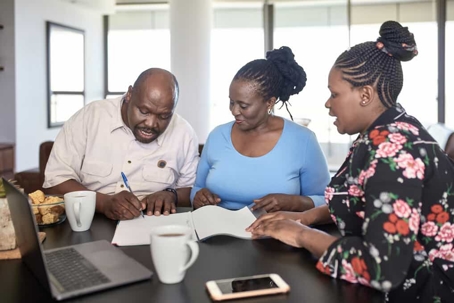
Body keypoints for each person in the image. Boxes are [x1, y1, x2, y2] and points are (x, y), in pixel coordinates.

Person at [247, 21, 454, 302]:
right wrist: (307, 217)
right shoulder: (387, 129)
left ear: (365, 95)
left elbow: (383, 268)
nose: (327, 104)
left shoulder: (393, 150)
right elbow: (364, 199)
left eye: (335, 94)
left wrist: (301, 235)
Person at [44, 68, 199, 220]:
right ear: (129, 94)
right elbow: (55, 182)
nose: (151, 124)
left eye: (164, 116)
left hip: (155, 225)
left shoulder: (184, 133)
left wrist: (171, 194)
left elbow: (191, 190)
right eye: (144, 111)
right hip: (89, 222)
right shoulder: (90, 118)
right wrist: (103, 203)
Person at [191, 46, 330, 212]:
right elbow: (197, 188)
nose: (234, 111)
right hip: (216, 233)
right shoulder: (217, 136)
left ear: (269, 102)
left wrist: (293, 202)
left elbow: (326, 200)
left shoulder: (303, 140)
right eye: (232, 102)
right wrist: (199, 197)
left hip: (274, 235)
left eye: (243, 105)